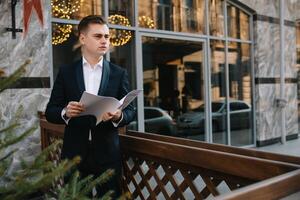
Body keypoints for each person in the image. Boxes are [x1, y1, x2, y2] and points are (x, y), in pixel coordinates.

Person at [45, 15, 135, 198]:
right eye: (98, 36)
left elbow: (131, 111)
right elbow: (51, 111)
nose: (104, 41)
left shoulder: (119, 73)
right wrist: (65, 112)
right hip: (74, 156)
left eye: (107, 37)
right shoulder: (66, 72)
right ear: (83, 38)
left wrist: (119, 116)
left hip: (108, 156)